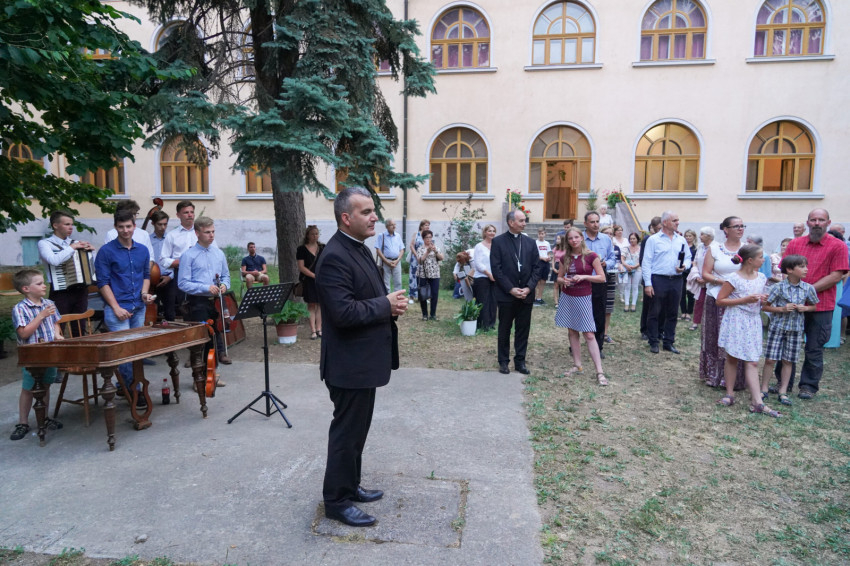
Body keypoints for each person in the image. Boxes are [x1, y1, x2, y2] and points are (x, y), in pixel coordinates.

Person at [314, 186, 408, 528]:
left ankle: (350, 485)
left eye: (373, 210)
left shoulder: (360, 248)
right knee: (346, 434)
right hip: (347, 365)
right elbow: (342, 313)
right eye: (366, 212)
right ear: (346, 217)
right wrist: (385, 305)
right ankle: (336, 501)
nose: (374, 217)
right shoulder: (334, 256)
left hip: (363, 362)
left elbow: (364, 297)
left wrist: (388, 305)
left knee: (357, 432)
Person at [773, 208, 849, 399]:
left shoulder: (838, 246)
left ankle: (808, 386)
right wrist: (791, 293)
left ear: (828, 223)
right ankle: (783, 383)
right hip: (792, 305)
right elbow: (785, 270)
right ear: (807, 223)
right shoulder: (795, 244)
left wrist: (806, 291)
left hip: (820, 306)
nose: (816, 223)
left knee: (814, 347)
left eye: (821, 220)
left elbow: (836, 275)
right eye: (813, 220)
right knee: (786, 344)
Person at [95, 210, 155, 406]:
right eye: (121, 227)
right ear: (115, 227)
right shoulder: (106, 251)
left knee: (136, 349)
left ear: (134, 226)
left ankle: (127, 385)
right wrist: (115, 308)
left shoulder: (142, 250)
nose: (125, 230)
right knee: (125, 352)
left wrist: (145, 294)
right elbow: (102, 283)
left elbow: (146, 275)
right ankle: (134, 391)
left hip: (138, 307)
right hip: (117, 308)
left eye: (128, 226)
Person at [715, 244, 779, 417]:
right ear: (750, 260)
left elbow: (761, 303)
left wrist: (763, 299)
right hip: (736, 319)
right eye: (760, 257)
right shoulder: (733, 278)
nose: (763, 259)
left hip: (753, 321)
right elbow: (720, 300)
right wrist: (744, 300)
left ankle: (757, 402)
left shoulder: (761, 277)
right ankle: (729, 394)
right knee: (732, 357)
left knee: (752, 361)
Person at [9, 269, 64, 441]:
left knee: (46, 385)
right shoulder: (20, 308)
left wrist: (57, 334)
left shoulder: (49, 303)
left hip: (50, 352)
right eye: (39, 283)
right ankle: (23, 422)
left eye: (43, 282)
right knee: (28, 388)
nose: (44, 286)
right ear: (26, 289)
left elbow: (55, 322)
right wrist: (41, 315)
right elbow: (24, 333)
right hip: (32, 355)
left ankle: (44, 417)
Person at [760, 255, 819, 407]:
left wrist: (805, 308)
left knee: (788, 361)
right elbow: (765, 307)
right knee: (770, 359)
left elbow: (814, 306)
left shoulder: (808, 288)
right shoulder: (777, 287)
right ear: (790, 270)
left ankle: (783, 391)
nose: (806, 269)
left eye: (806, 266)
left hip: (795, 330)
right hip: (777, 328)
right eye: (802, 266)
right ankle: (764, 389)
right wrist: (782, 309)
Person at [490, 210, 544, 375]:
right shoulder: (498, 242)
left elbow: (537, 268)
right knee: (504, 329)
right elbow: (496, 269)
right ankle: (503, 361)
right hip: (506, 295)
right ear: (511, 222)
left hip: (526, 295)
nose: (524, 223)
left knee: (523, 330)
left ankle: (520, 361)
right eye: (521, 221)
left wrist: (528, 288)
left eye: (524, 220)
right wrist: (511, 289)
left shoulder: (530, 242)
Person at [555, 228, 607, 386]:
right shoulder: (565, 257)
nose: (574, 240)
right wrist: (564, 281)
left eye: (576, 237)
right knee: (572, 331)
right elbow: (559, 277)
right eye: (570, 238)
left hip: (584, 297)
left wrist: (584, 276)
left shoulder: (592, 256)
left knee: (589, 334)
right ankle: (577, 365)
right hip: (568, 296)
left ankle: (599, 372)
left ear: (581, 238)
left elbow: (602, 277)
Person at [178, 216, 232, 367]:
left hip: (216, 301)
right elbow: (182, 283)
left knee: (214, 336)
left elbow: (226, 276)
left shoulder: (219, 253)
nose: (211, 235)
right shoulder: (188, 255)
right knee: (202, 338)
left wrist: (224, 285)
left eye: (213, 231)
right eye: (207, 232)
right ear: (197, 233)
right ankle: (199, 373)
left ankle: (212, 372)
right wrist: (205, 287)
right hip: (197, 302)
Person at [700, 216, 746, 389]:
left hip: (738, 299)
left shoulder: (746, 249)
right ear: (726, 229)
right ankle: (714, 375)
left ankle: (735, 377)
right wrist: (723, 282)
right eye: (736, 226)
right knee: (714, 336)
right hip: (716, 297)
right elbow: (706, 273)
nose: (740, 229)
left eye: (742, 226)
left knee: (735, 337)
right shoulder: (715, 248)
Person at [642, 211, 690, 354]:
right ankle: (653, 341)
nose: (678, 223)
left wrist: (684, 266)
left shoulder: (681, 240)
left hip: (676, 280)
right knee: (655, 311)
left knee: (673, 312)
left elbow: (688, 258)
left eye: (678, 220)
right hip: (658, 279)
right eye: (674, 220)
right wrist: (648, 283)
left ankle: (668, 342)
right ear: (665, 222)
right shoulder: (653, 240)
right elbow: (646, 262)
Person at [38, 210, 95, 318]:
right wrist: (72, 248)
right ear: (55, 225)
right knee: (58, 322)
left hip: (80, 289)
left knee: (80, 323)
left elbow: (91, 266)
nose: (71, 228)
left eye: (72, 225)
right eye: (67, 224)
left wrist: (92, 252)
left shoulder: (76, 243)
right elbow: (53, 260)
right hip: (60, 290)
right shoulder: (45, 243)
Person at [583, 211, 616, 357]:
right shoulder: (579, 238)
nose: (596, 225)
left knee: (599, 314)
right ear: (585, 224)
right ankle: (576, 343)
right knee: (581, 313)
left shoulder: (606, 239)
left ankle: (598, 346)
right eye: (592, 222)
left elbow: (612, 258)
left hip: (599, 281)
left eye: (597, 221)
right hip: (582, 281)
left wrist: (606, 263)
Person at [159, 200, 197, 321]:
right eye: (186, 212)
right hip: (181, 274)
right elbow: (163, 260)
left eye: (192, 212)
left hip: (200, 274)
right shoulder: (172, 235)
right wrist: (182, 262)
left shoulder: (201, 232)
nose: (190, 215)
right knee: (185, 307)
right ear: (178, 215)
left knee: (201, 307)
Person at [297, 226, 324, 339]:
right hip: (308, 280)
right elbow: (301, 267)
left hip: (321, 280)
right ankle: (313, 330)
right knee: (311, 305)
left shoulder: (323, 248)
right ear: (307, 235)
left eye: (316, 234)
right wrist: (314, 276)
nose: (315, 236)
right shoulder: (301, 249)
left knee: (320, 304)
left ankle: (319, 329)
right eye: (312, 234)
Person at [687, 226, 715, 331]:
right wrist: (696, 275)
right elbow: (695, 261)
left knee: (711, 303)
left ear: (709, 236)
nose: (700, 236)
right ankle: (696, 322)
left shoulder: (716, 247)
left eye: (702, 234)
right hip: (700, 278)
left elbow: (716, 265)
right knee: (699, 301)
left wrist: (707, 278)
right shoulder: (700, 247)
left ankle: (710, 323)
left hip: (711, 280)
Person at [639, 216, 662, 340]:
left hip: (662, 278)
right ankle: (645, 329)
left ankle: (659, 330)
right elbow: (643, 260)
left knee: (661, 306)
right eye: (658, 228)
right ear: (653, 228)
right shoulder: (648, 240)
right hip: (650, 276)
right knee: (648, 305)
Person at [472, 224, 497, 331]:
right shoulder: (479, 246)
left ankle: (491, 323)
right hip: (482, 277)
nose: (492, 233)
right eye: (489, 231)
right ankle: (483, 324)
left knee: (493, 301)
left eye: (493, 231)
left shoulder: (496, 245)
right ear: (485, 232)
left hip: (494, 277)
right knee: (483, 302)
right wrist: (488, 274)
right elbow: (478, 264)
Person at [149, 210, 174, 315]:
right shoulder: (148, 240)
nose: (163, 227)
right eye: (159, 224)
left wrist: (170, 277)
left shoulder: (171, 239)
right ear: (153, 223)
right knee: (152, 309)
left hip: (168, 279)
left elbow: (176, 260)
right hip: (152, 280)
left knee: (170, 311)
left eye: (165, 224)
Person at [416, 230, 443, 321]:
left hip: (435, 274)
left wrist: (435, 251)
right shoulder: (420, 249)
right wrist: (427, 252)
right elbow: (420, 261)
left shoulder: (436, 247)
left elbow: (441, 258)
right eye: (427, 237)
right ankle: (424, 315)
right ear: (423, 239)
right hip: (423, 274)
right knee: (423, 294)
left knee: (434, 294)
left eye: (430, 237)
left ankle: (433, 314)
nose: (428, 239)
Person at [374, 219, 405, 294]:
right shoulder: (382, 236)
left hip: (396, 262)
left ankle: (397, 297)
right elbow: (378, 250)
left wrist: (397, 260)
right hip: (385, 262)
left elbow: (402, 249)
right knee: (385, 283)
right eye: (392, 225)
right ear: (387, 226)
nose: (394, 226)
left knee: (398, 282)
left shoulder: (398, 236)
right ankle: (387, 298)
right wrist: (387, 262)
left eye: (395, 224)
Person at [600, 226, 619, 342]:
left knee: (608, 307)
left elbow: (618, 262)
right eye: (606, 233)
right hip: (597, 278)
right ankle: (595, 332)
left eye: (611, 233)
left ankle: (605, 333)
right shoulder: (598, 246)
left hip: (611, 277)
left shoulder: (616, 248)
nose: (609, 235)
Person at [407, 219, 430, 305]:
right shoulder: (416, 234)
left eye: (428, 225)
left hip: (425, 259)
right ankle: (412, 296)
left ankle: (424, 296)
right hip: (415, 258)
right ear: (421, 226)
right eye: (426, 225)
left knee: (424, 277)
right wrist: (416, 255)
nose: (428, 227)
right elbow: (411, 245)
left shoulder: (428, 235)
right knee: (413, 277)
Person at [679, 229, 697, 322]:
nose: (688, 238)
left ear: (694, 237)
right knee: (681, 292)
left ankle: (689, 312)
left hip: (691, 272)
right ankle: (683, 312)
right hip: (682, 272)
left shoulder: (696, 248)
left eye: (690, 236)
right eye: (686, 236)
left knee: (690, 293)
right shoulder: (682, 247)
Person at [620, 232, 642, 312]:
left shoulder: (641, 249)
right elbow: (622, 259)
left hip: (637, 269)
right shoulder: (625, 248)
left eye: (634, 238)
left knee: (635, 287)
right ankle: (626, 304)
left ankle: (633, 304)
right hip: (627, 270)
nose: (632, 240)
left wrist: (635, 266)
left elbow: (642, 260)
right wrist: (627, 266)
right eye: (631, 239)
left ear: (637, 239)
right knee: (627, 286)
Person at [534, 228, 552, 305]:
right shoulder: (535, 243)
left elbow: (548, 253)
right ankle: (534, 298)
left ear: (545, 234)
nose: (541, 235)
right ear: (537, 234)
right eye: (539, 234)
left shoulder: (547, 243)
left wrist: (549, 257)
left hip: (546, 263)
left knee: (543, 280)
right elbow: (534, 254)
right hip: (538, 262)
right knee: (537, 281)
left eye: (542, 234)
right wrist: (542, 258)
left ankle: (539, 298)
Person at [551, 235, 567, 305]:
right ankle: (556, 302)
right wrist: (553, 268)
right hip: (556, 266)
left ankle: (562, 301)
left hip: (563, 266)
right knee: (556, 285)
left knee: (562, 285)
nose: (557, 240)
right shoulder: (555, 248)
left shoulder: (566, 249)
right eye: (557, 239)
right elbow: (553, 259)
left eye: (558, 239)